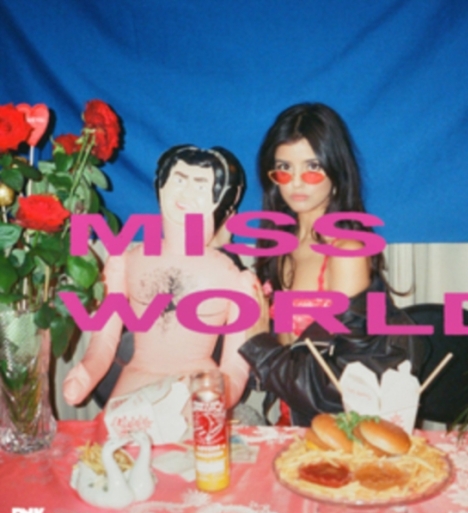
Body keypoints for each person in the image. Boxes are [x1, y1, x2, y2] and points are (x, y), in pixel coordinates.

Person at [238, 103, 422, 426]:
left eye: (312, 168)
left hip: (342, 434)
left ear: (336, 172)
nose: (296, 183)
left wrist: (258, 346)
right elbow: (287, 358)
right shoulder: (278, 247)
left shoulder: (346, 252)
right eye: (284, 168)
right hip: (292, 426)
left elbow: (345, 386)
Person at [63, 145, 256, 410]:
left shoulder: (236, 279)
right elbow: (104, 337)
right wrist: (86, 372)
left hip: (196, 393)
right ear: (160, 187)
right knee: (114, 437)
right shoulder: (126, 262)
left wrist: (222, 397)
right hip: (134, 390)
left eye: (200, 186)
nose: (186, 193)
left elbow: (236, 365)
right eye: (179, 180)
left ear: (219, 200)